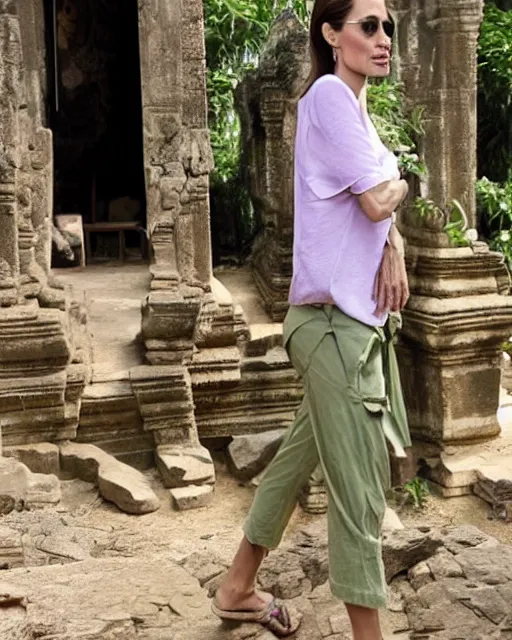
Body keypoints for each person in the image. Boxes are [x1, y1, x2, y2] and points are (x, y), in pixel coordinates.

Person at [212, 0, 412, 638]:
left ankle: (238, 585)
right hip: (331, 329)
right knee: (358, 493)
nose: (382, 39)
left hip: (342, 327)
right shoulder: (327, 95)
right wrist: (405, 177)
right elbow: (381, 199)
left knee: (298, 459)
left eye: (388, 27)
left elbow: (379, 215)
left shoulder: (355, 110)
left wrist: (396, 241)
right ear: (331, 34)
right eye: (368, 26)